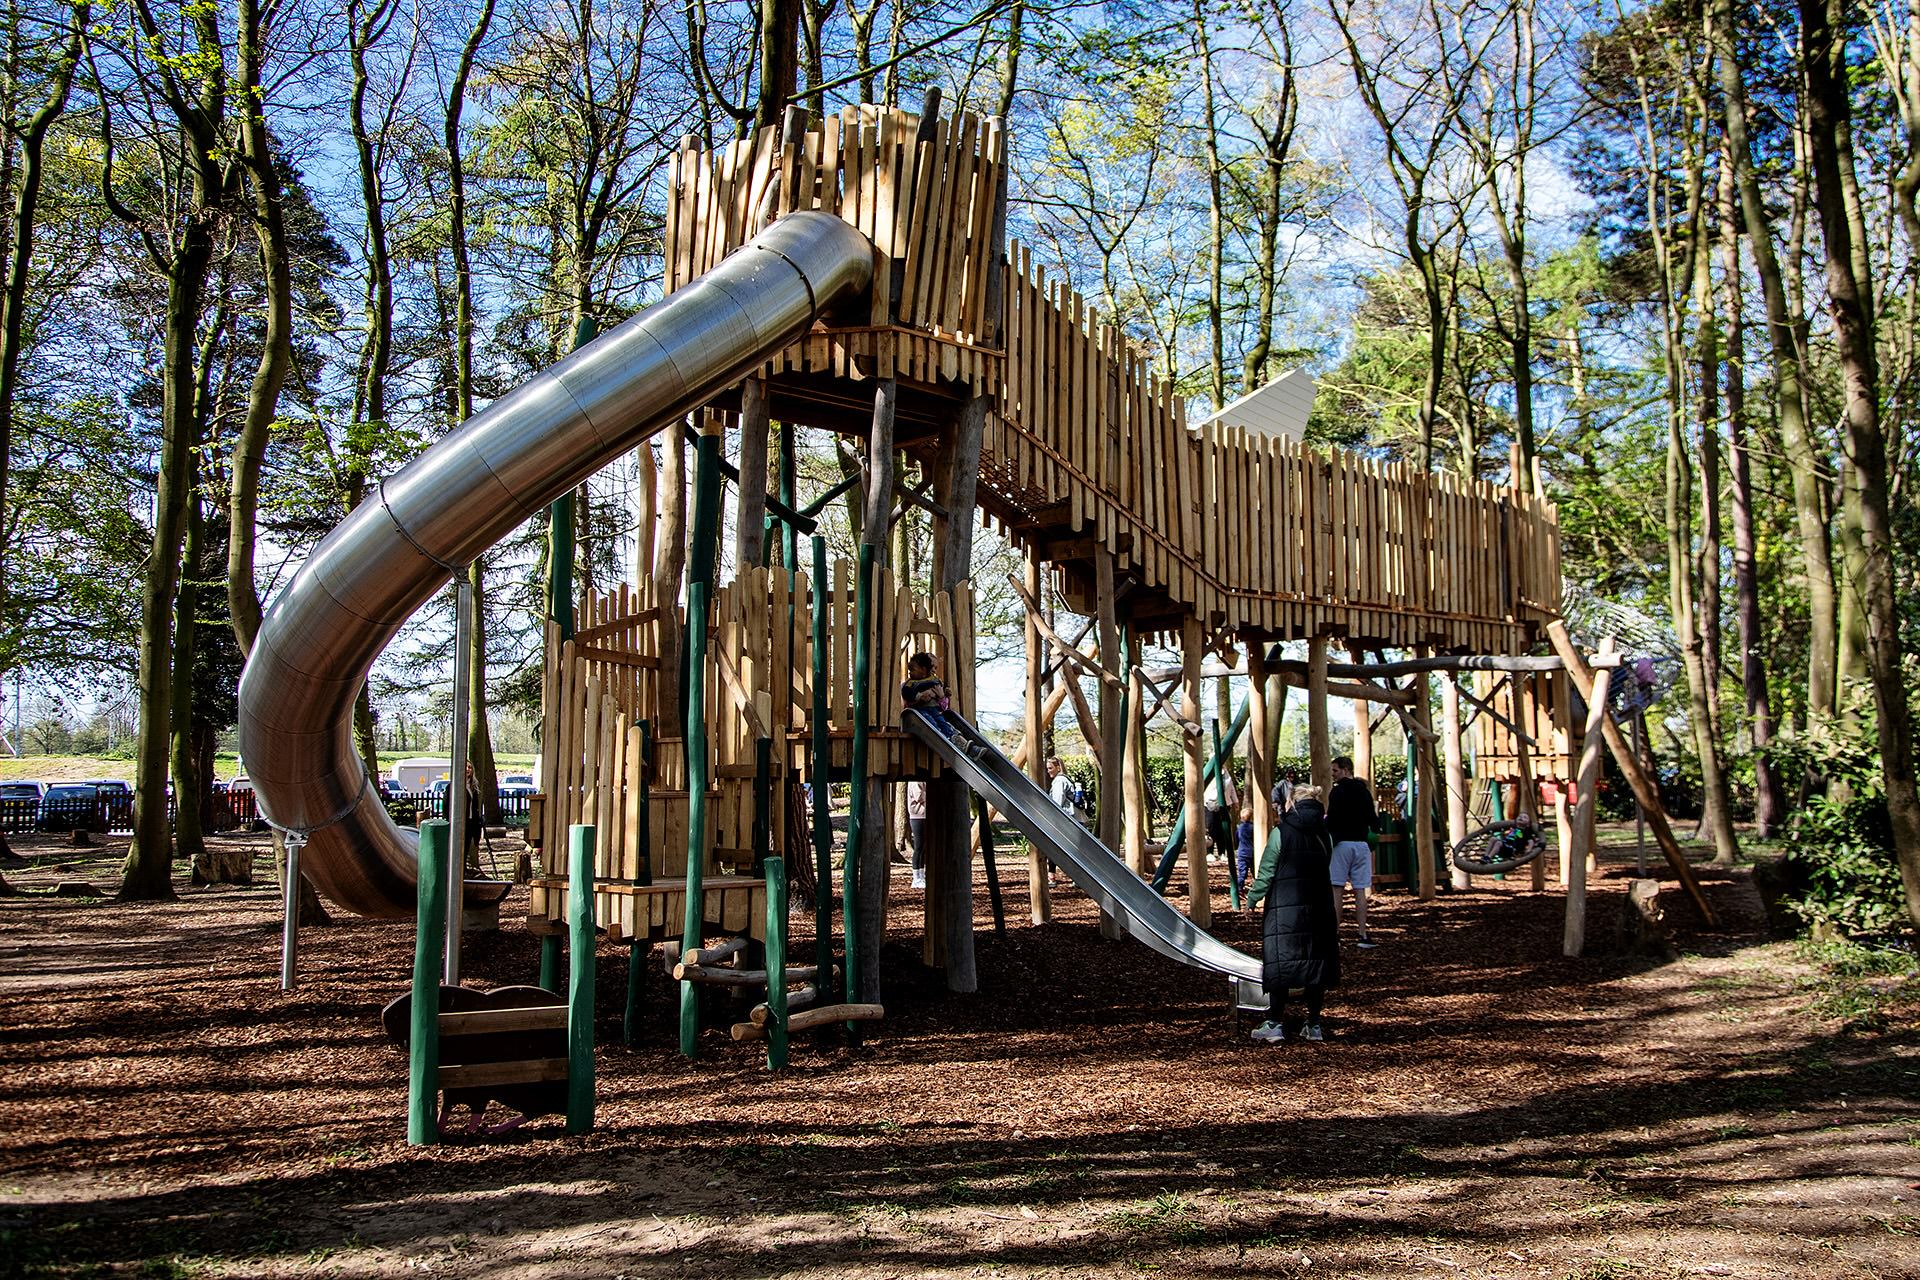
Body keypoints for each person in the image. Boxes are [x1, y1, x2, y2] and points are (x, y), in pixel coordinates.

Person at [1245, 784, 1340, 1042]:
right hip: (1319, 906)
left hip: (1285, 909)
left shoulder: (1281, 832)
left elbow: (1267, 871)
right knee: (1316, 964)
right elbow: (1325, 864)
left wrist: (1252, 899)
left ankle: (1275, 1023)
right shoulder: (1325, 834)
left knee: (1281, 963)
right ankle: (1314, 1024)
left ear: (1292, 803)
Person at [1327, 755, 1378, 948]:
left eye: (1335, 770)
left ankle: (1335, 934)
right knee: (1360, 890)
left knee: (1337, 889)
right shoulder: (1364, 791)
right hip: (1362, 844)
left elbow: (1332, 819)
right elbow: (1373, 819)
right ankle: (1362, 934)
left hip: (1342, 844)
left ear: (1345, 770)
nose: (1333, 774)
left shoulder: (1337, 792)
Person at [1204, 768, 1241, 866]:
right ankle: (1209, 852)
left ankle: (1222, 853)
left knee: (1223, 829)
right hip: (1210, 804)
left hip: (1225, 804)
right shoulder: (1209, 771)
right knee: (1211, 828)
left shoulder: (1226, 773)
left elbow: (1231, 788)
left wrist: (1235, 801)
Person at [906, 779, 928, 890]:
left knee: (923, 848)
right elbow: (919, 796)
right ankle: (916, 878)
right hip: (917, 816)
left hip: (923, 815)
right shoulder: (915, 780)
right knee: (918, 847)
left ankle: (921, 876)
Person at [1233, 799, 1255, 894]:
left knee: (1242, 872)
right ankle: (1256, 886)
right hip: (1252, 852)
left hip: (1242, 852)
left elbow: (1236, 839)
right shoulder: (1253, 828)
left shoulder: (1239, 828)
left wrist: (1236, 848)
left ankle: (1239, 888)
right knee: (1255, 871)